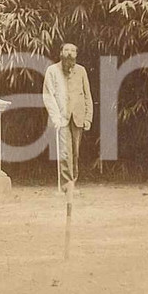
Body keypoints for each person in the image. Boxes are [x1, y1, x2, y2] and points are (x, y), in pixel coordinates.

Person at [42, 43, 93, 192]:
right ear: (61, 53)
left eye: (72, 51)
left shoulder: (81, 71)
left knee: (75, 152)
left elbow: (87, 95)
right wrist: (55, 116)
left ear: (76, 54)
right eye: (66, 50)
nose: (69, 53)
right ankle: (67, 185)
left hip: (78, 116)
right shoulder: (52, 70)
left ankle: (72, 182)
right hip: (61, 117)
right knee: (65, 151)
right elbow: (48, 95)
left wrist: (88, 117)